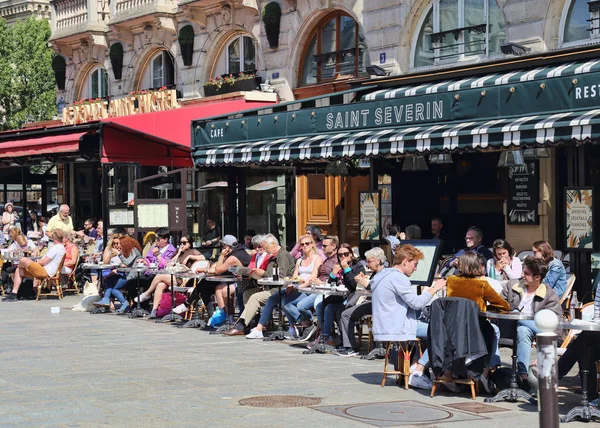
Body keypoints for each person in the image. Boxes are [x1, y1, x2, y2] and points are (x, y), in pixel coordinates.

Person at [371, 244, 446, 388]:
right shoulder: (398, 278)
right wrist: (435, 289)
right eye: (415, 264)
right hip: (397, 326)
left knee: (429, 329)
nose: (416, 268)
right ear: (405, 261)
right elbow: (416, 303)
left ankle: (416, 366)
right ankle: (417, 370)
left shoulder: (382, 275)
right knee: (442, 332)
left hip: (384, 325)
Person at [445, 252, 510, 392]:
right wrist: (488, 307)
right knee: (492, 332)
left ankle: (448, 373)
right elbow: (504, 306)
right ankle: (484, 374)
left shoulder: (451, 281)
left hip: (453, 327)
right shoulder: (481, 284)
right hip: (475, 329)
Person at [245, 235, 322, 339]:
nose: (304, 246)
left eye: (307, 243)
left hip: (309, 289)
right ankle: (303, 324)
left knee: (286, 302)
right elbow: (295, 276)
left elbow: (313, 276)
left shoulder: (317, 259)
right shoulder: (299, 260)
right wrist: (291, 285)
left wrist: (297, 287)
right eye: (302, 244)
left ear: (312, 244)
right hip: (298, 287)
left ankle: (305, 324)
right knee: (277, 299)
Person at [502, 256, 561, 388]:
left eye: (526, 273)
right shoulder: (512, 285)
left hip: (537, 327)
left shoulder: (549, 294)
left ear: (537, 277)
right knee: (521, 327)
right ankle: (524, 377)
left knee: (522, 326)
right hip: (509, 326)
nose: (522, 275)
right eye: (523, 271)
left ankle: (522, 376)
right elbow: (500, 304)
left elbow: (555, 322)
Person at [224, 234, 295, 335]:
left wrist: (262, 273)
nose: (266, 251)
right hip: (270, 287)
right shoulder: (273, 256)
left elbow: (280, 276)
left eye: (267, 248)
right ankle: (251, 322)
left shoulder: (283, 255)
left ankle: (241, 326)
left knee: (255, 297)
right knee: (247, 293)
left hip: (280, 289)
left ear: (274, 244)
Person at [173, 235, 250, 326]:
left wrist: (221, 256)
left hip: (241, 282)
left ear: (227, 246)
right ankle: (213, 317)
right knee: (204, 287)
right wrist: (205, 270)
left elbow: (218, 270)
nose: (222, 247)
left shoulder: (233, 257)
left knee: (214, 288)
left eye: (223, 245)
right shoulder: (235, 252)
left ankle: (188, 305)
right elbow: (219, 269)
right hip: (230, 279)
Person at [335, 247, 387, 356]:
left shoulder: (384, 273)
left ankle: (351, 347)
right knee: (343, 311)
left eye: (369, 261)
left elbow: (378, 290)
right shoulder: (375, 272)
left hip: (380, 305)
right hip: (371, 302)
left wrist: (364, 283)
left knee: (345, 314)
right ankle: (348, 345)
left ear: (378, 260)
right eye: (366, 261)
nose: (367, 265)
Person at [315, 243, 366, 347]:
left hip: (351, 297)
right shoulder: (337, 266)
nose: (343, 257)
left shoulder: (358, 266)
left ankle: (334, 338)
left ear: (351, 254)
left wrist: (347, 268)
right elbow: (330, 285)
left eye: (345, 254)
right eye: (340, 255)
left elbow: (354, 286)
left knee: (334, 309)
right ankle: (326, 335)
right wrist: (333, 274)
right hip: (337, 296)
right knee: (321, 306)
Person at [137, 235, 201, 318]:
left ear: (190, 243)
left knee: (160, 275)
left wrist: (189, 256)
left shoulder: (193, 251)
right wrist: (178, 253)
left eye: (184, 243)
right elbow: (170, 263)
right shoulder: (179, 252)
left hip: (184, 279)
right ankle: (154, 310)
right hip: (175, 277)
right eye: (180, 243)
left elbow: (203, 257)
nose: (182, 245)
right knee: (160, 285)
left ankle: (147, 293)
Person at [2, 230, 66, 301]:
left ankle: (17, 266)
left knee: (24, 260)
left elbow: (43, 262)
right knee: (18, 270)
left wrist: (32, 264)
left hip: (45, 270)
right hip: (46, 269)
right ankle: (14, 294)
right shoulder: (61, 247)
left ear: (54, 238)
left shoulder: (56, 248)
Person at [94, 235, 142, 313]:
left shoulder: (134, 250)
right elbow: (125, 264)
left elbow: (127, 262)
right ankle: (106, 299)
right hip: (126, 274)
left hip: (133, 276)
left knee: (114, 288)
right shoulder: (128, 251)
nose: (118, 245)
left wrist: (119, 254)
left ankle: (123, 303)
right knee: (109, 278)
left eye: (119, 243)